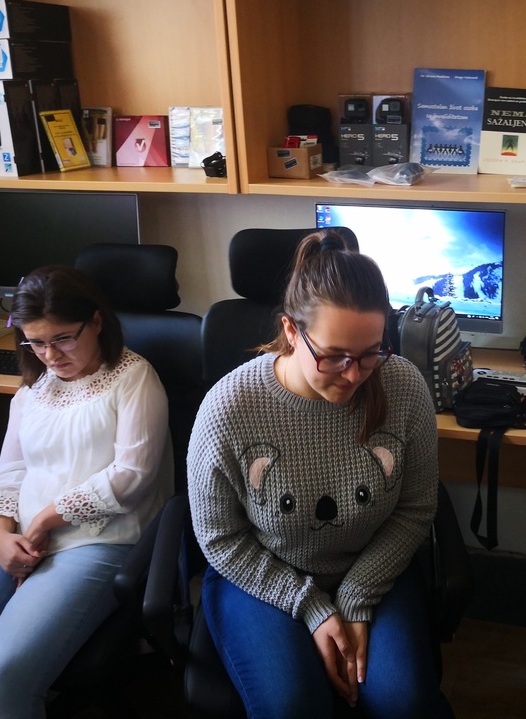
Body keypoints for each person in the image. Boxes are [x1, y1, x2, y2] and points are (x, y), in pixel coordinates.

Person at [188, 229, 450, 718]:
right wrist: (311, 607)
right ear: (291, 331)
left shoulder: (403, 387)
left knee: (402, 702)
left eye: (370, 353)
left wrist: (356, 596)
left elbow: (416, 508)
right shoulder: (229, 408)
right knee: (293, 706)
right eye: (333, 356)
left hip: (370, 566)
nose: (354, 374)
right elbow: (220, 538)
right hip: (263, 573)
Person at [0, 266, 174, 719]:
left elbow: (132, 475)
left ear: (96, 322)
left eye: (62, 339)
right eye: (36, 343)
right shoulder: (34, 389)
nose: (50, 355)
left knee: (5, 675)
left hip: (99, 542)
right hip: (21, 538)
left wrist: (45, 520)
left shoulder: (133, 377)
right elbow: (9, 471)